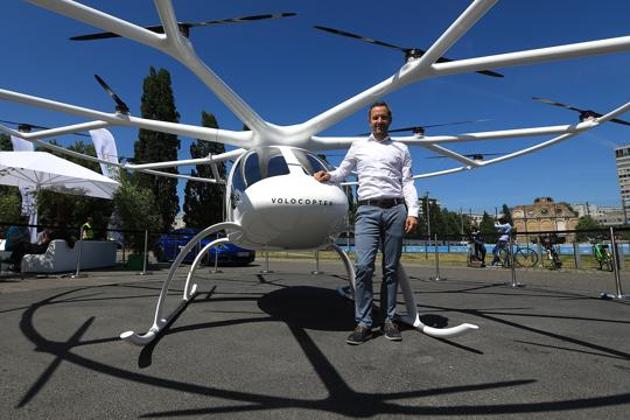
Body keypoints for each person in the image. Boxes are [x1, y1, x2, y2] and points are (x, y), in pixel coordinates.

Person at [314, 101, 419, 345]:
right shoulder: (358, 146)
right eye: (375, 118)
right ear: (369, 121)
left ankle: (389, 320)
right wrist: (328, 176)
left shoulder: (401, 148)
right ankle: (363, 322)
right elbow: (342, 172)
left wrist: (412, 211)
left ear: (390, 120)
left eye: (383, 117)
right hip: (367, 211)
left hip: (395, 209)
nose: (379, 121)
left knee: (391, 269)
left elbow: (408, 183)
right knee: (364, 266)